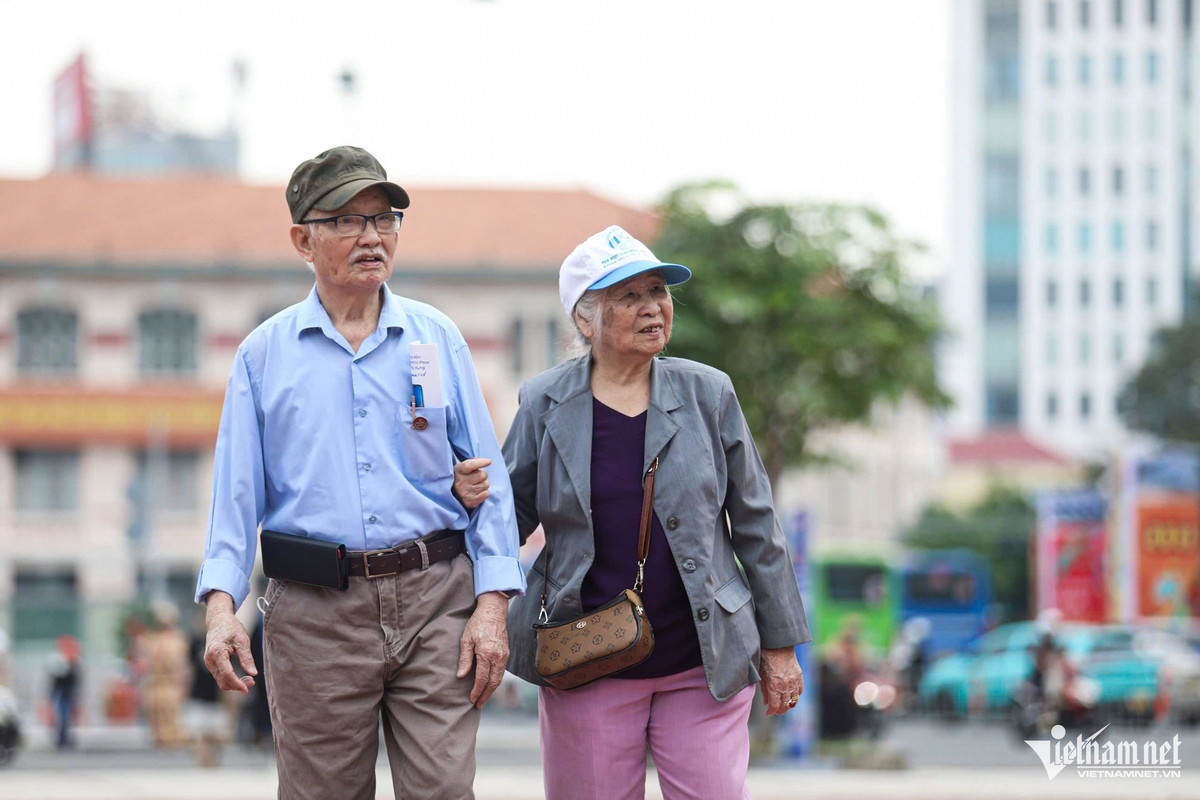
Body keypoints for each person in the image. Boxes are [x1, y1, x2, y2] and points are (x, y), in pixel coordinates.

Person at [195, 145, 525, 800]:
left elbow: (490, 484)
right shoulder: (264, 356)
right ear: (303, 239)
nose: (372, 236)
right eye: (348, 221)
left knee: (443, 790)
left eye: (385, 218)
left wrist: (493, 604)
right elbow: (236, 497)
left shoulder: (435, 340)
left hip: (437, 602)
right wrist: (220, 607)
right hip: (316, 612)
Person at [494, 225, 810, 799]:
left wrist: (780, 644)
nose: (652, 308)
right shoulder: (544, 401)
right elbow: (507, 516)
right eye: (629, 296)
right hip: (586, 657)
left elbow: (757, 523)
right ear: (586, 319)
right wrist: (484, 607)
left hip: (703, 661)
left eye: (658, 292)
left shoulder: (708, 393)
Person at [143, 601, 190, 748]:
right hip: (156, 682)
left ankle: (172, 738)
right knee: (156, 712)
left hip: (171, 682)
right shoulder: (152, 639)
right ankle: (160, 737)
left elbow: (179, 663)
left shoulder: (177, 639)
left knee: (171, 712)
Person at [47, 635, 81, 750]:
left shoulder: (71, 661)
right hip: (63, 696)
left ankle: (64, 740)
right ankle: (63, 740)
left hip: (65, 696)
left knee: (65, 718)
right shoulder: (61, 661)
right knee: (63, 717)